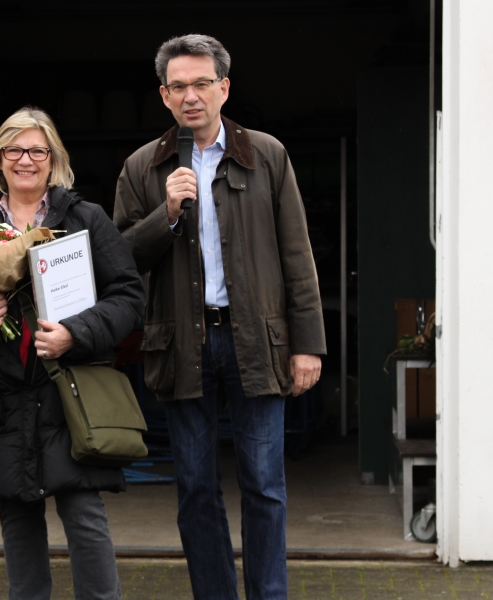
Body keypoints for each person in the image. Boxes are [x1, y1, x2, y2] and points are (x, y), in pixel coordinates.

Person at [114, 34, 326, 599]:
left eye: (202, 84)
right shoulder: (144, 167)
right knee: (195, 488)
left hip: (256, 339)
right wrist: (168, 211)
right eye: (178, 86)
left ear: (223, 88)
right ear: (163, 95)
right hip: (182, 344)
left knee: (264, 485)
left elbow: (296, 255)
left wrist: (309, 344)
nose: (191, 96)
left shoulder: (267, 154)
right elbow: (123, 259)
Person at [0, 107, 144, 600]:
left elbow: (130, 297)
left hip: (67, 392)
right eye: (15, 150)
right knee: (18, 518)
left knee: (83, 514)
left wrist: (76, 333)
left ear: (53, 159)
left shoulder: (85, 219)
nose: (26, 160)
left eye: (37, 151)